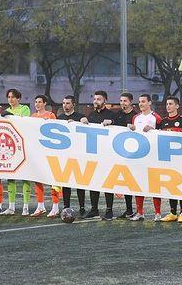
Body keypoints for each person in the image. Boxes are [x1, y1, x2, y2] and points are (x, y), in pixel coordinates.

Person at [81, 90, 117, 220]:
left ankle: (109, 210)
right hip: (93, 155)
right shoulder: (90, 115)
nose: (96, 101)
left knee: (108, 183)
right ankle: (94, 210)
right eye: (95, 99)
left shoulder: (112, 114)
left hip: (107, 155)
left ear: (105, 101)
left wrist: (112, 123)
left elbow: (120, 131)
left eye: (99, 99)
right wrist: (82, 122)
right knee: (93, 182)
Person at [128, 93, 162, 222]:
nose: (140, 104)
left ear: (149, 103)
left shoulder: (156, 117)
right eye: (139, 102)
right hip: (139, 155)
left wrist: (153, 129)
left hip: (153, 156)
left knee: (154, 184)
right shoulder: (135, 117)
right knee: (138, 184)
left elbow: (161, 134)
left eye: (143, 101)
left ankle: (158, 213)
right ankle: (140, 212)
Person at [159, 96, 182, 222]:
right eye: (167, 104)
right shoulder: (163, 121)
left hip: (181, 159)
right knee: (171, 185)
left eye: (171, 104)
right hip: (168, 159)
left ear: (177, 106)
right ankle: (173, 212)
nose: (168, 106)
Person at [2, 88, 31, 216]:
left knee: (25, 177)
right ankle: (11, 207)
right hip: (11, 148)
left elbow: (23, 123)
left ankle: (25, 207)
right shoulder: (6, 111)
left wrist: (11, 117)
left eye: (13, 97)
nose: (10, 99)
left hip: (23, 147)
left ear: (18, 98)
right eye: (9, 97)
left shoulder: (25, 109)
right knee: (11, 178)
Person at [30, 95, 58, 217]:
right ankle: (40, 206)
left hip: (49, 152)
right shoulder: (32, 116)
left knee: (53, 180)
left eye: (40, 102)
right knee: (37, 179)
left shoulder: (51, 115)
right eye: (36, 102)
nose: (37, 104)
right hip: (37, 152)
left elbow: (56, 131)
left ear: (45, 103)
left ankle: (55, 207)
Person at [112, 92, 137, 218]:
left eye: (125, 101)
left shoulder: (136, 116)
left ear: (131, 102)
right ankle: (129, 209)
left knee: (136, 182)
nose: (122, 103)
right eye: (121, 101)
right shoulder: (117, 115)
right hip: (121, 153)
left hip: (135, 153)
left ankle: (139, 210)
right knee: (126, 182)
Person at [57, 95, 84, 213]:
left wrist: (78, 123)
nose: (65, 106)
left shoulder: (80, 117)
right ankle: (66, 206)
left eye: (68, 103)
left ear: (73, 104)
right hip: (65, 155)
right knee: (66, 182)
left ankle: (82, 207)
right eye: (63, 103)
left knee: (80, 182)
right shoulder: (60, 118)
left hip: (78, 154)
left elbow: (85, 131)